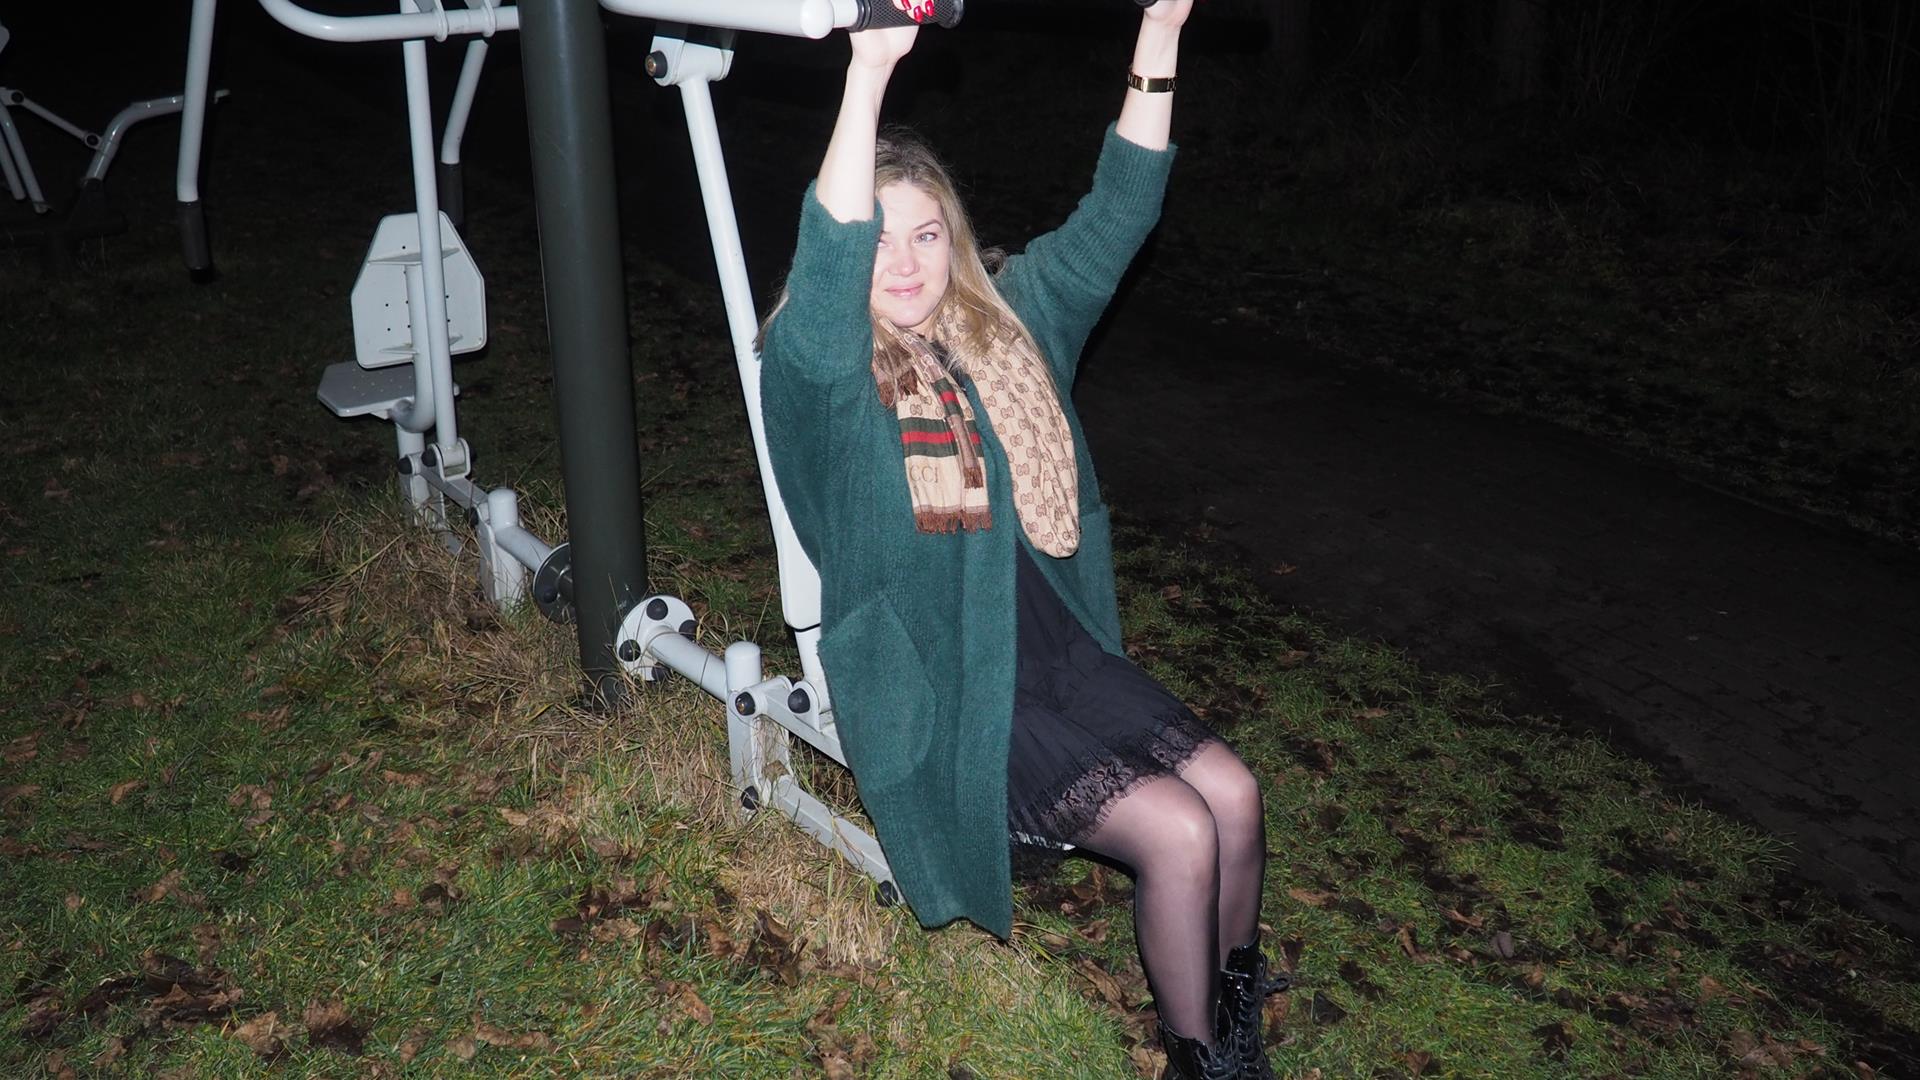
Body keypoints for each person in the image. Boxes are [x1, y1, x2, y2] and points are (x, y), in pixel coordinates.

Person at [758, 4, 1283, 1077]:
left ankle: (1235, 1010)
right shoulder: (822, 383)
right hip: (950, 681)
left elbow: (1121, 211)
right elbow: (828, 260)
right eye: (879, 240)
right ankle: (1200, 1063)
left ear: (953, 241)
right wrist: (870, 69)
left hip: (1055, 651)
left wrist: (1161, 29)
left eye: (926, 235)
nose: (904, 263)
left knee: (1233, 796)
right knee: (1179, 832)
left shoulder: (1011, 325)